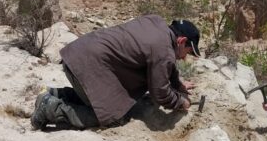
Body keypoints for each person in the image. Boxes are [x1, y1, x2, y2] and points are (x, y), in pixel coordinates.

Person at [31, 15, 200, 130]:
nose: (185, 58)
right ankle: (51, 108)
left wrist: (178, 84)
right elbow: (160, 93)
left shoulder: (156, 22)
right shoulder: (164, 52)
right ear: (182, 41)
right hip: (88, 67)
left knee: (107, 101)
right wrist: (180, 102)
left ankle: (53, 94)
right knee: (113, 117)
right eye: (188, 51)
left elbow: (162, 62)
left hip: (79, 55)